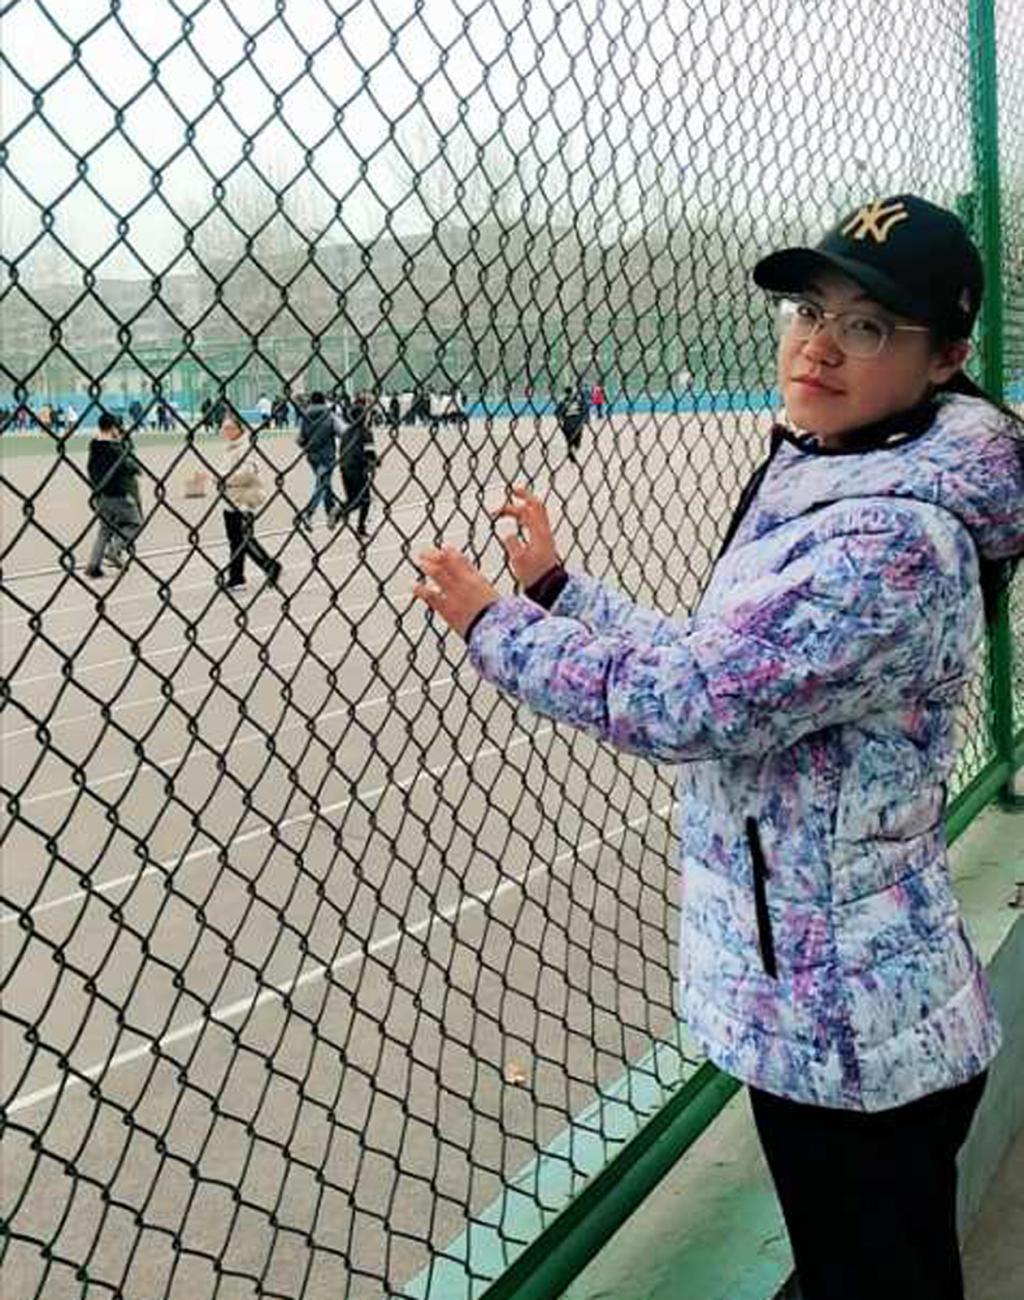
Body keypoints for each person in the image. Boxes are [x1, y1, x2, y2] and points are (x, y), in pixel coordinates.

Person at [412, 195, 1024, 1300]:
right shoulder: (842, 475)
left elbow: (691, 702)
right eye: (809, 309)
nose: (818, 344)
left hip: (853, 1032)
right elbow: (732, 663)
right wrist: (560, 592)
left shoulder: (890, 535)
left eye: (868, 325)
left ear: (944, 358)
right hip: (844, 1003)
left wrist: (496, 624)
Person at [217, 410, 281, 591]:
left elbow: (248, 473)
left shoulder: (245, 447)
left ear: (240, 429)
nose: (227, 431)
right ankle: (237, 578)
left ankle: (269, 566)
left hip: (243, 500)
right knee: (236, 541)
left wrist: (223, 478)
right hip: (231, 500)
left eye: (230, 428)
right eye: (225, 428)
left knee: (244, 540)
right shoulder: (231, 448)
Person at [84, 411, 143, 579]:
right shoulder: (115, 448)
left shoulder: (94, 445)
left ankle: (93, 565)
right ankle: (115, 549)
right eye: (117, 427)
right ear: (112, 428)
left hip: (99, 494)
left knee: (104, 529)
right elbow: (130, 466)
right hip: (117, 493)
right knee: (135, 522)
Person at [333, 390, 376, 539]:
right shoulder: (366, 432)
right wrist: (374, 463)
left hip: (344, 468)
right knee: (365, 500)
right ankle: (360, 527)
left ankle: (340, 511)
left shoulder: (346, 433)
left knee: (352, 498)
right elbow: (370, 453)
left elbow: (342, 450)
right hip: (358, 469)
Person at [295, 390, 340, 529]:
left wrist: (309, 445)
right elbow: (342, 432)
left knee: (325, 483)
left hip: (312, 456)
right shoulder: (330, 415)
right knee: (322, 484)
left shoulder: (305, 416)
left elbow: (300, 439)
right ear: (324, 401)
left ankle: (330, 511)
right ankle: (309, 513)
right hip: (328, 456)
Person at [554, 386, 585, 462]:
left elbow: (557, 413)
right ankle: (571, 452)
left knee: (570, 440)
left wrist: (560, 419)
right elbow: (583, 410)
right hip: (576, 422)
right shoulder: (576, 401)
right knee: (575, 441)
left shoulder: (563, 402)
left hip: (568, 423)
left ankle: (571, 451)